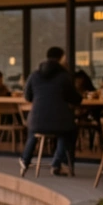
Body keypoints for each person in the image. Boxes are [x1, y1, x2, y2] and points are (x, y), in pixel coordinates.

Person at [21, 47, 82, 177]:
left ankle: (25, 159)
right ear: (61, 59)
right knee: (69, 131)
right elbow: (75, 98)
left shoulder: (34, 75)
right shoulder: (64, 76)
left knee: (34, 130)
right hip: (59, 122)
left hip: (36, 120)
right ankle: (57, 163)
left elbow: (27, 96)